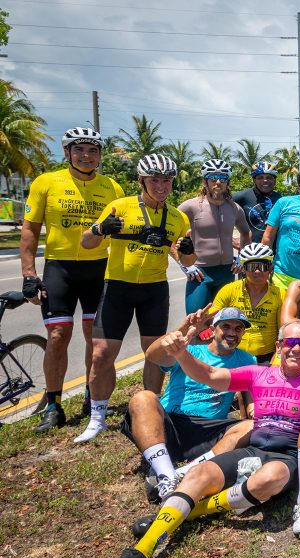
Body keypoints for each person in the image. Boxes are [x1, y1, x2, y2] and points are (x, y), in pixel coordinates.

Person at [91, 319, 300, 558]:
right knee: (200, 473)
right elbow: (209, 375)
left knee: (268, 478)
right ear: (278, 347)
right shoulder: (257, 373)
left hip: (288, 456)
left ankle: (186, 514)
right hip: (253, 448)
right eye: (290, 343)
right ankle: (140, 554)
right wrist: (181, 353)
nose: (297, 349)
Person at [79, 154, 196, 443]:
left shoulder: (178, 218)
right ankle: (97, 418)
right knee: (101, 354)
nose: (161, 186)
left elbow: (186, 257)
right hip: (117, 287)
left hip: (154, 291)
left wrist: (189, 249)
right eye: (154, 180)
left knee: (154, 354)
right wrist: (99, 229)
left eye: (166, 180)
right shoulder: (121, 206)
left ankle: (151, 410)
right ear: (141, 181)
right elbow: (86, 241)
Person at [21, 127, 124, 432]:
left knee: (96, 337)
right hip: (60, 269)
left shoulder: (112, 187)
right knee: (57, 337)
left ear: (99, 156)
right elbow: (30, 230)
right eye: (79, 150)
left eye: (93, 151)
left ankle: (92, 396)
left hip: (99, 269)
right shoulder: (47, 182)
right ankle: (53, 404)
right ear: (66, 153)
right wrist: (29, 274)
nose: (86, 156)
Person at [125, 307, 256, 503]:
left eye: (238, 329)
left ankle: (182, 472)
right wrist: (182, 328)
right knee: (143, 398)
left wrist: (255, 413)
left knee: (250, 427)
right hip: (171, 422)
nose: (232, 332)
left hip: (208, 430)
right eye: (226, 326)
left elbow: (250, 398)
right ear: (212, 329)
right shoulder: (189, 350)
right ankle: (165, 473)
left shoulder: (247, 360)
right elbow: (152, 355)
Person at [178, 159, 250, 314]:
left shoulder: (234, 208)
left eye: (223, 178)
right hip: (200, 274)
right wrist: (185, 264)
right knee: (195, 323)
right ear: (205, 181)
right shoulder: (190, 206)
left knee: (224, 324)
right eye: (213, 178)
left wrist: (242, 257)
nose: (218, 182)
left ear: (228, 182)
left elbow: (245, 232)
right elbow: (170, 234)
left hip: (227, 273)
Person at [211, 243, 285, 364]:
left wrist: (276, 361)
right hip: (231, 354)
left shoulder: (280, 294)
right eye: (252, 267)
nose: (257, 271)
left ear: (270, 268)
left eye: (263, 266)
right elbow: (211, 319)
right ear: (244, 269)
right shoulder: (229, 290)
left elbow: (284, 331)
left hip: (266, 357)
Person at [232, 161, 281, 244]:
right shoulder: (241, 197)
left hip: (275, 253)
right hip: (249, 253)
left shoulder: (280, 200)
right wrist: (232, 241)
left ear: (275, 180)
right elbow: (219, 219)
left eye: (269, 177)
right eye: (260, 177)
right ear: (254, 180)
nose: (265, 180)